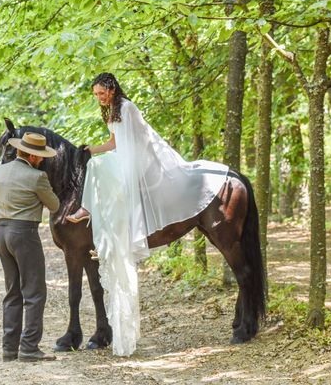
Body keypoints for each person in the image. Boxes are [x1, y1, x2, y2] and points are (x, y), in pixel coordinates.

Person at [66, 72, 229, 356]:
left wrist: (121, 164)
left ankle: (87, 210)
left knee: (97, 168)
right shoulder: (110, 113)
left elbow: (143, 144)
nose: (99, 98)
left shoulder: (128, 108)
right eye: (95, 95)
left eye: (101, 93)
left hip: (136, 165)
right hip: (121, 160)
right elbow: (114, 144)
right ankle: (97, 224)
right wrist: (93, 149)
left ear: (112, 88)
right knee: (94, 163)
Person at [0, 132, 61, 362]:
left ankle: (9, 348)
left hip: (2, 232)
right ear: (34, 156)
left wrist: (7, 209)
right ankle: (29, 347)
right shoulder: (37, 177)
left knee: (12, 291)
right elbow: (54, 205)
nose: (43, 160)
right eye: (41, 156)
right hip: (25, 233)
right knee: (35, 292)